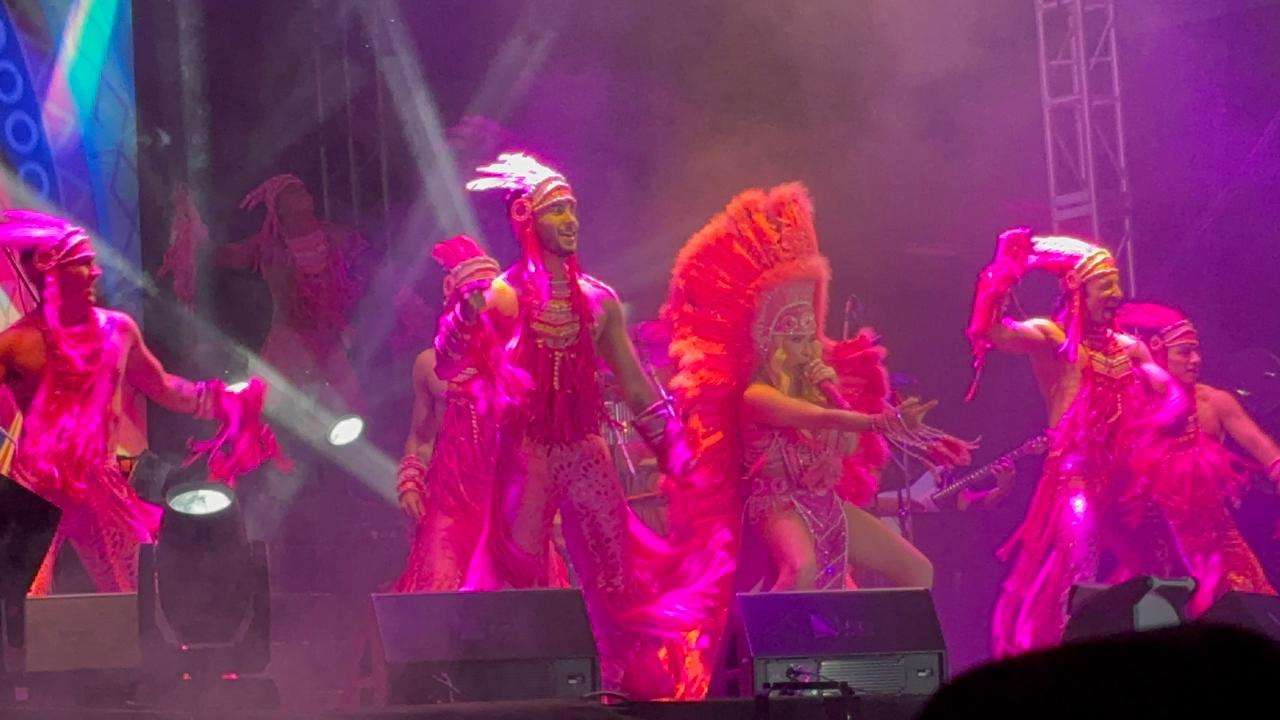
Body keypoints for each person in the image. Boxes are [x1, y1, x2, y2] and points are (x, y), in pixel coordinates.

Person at [435, 153, 700, 697]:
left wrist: (678, 454)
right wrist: (462, 315)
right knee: (518, 571)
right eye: (557, 212)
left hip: (585, 447)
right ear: (527, 221)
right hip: (527, 450)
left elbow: (636, 387)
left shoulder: (600, 301)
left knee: (615, 572)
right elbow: (446, 365)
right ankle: (521, 690)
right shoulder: (502, 296)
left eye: (574, 209)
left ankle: (617, 688)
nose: (571, 221)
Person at [0, 210, 281, 595]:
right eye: (84, 264)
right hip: (35, 486)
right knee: (20, 601)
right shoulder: (16, 344)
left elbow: (164, 387)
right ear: (53, 273)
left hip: (99, 484)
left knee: (138, 596)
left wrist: (220, 400)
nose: (96, 273)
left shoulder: (117, 331)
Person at [965, 228, 1184, 656]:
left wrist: (1167, 415)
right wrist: (1001, 275)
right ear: (1078, 289)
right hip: (1076, 475)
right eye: (1106, 285)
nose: (1116, 294)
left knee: (1157, 561)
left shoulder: (1131, 349)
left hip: (1126, 480)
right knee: (1078, 563)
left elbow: (1169, 390)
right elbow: (991, 332)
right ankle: (1069, 657)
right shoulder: (1054, 340)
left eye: (1117, 284)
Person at [393, 237, 567, 591]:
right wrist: (410, 482)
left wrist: (553, 504)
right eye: (474, 297)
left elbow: (544, 436)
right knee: (442, 596)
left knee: (528, 603)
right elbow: (421, 435)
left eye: (490, 295)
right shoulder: (430, 364)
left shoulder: (520, 361)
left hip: (514, 502)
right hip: (451, 501)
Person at [1117, 302, 1277, 610]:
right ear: (1159, 352)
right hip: (1154, 543)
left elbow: (1263, 448)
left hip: (1214, 541)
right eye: (1185, 352)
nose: (1196, 360)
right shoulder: (1133, 408)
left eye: (1197, 351)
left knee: (1248, 612)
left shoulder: (1213, 402)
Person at [219, 175, 368, 409]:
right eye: (293, 192)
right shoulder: (269, 244)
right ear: (280, 207)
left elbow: (368, 257)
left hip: (327, 337)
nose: (304, 196)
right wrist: (195, 236)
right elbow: (230, 256)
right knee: (269, 407)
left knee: (350, 407)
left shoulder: (333, 235)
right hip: (288, 340)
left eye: (303, 190)